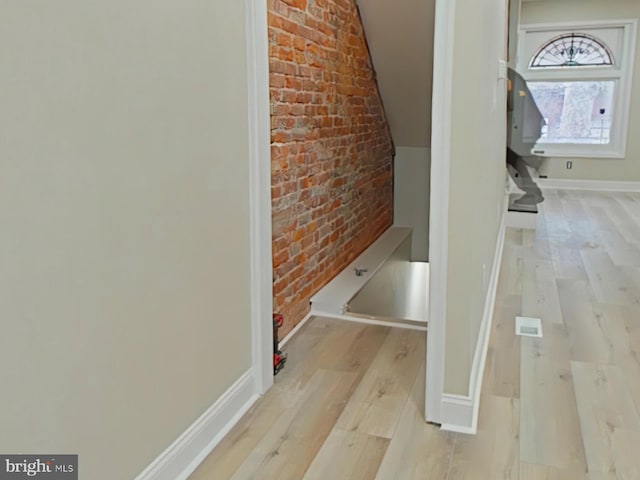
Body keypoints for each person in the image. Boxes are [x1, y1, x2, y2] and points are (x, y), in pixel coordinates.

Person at [507, 67, 545, 208]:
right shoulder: (512, 76)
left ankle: (532, 192)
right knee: (513, 158)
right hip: (527, 127)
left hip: (526, 128)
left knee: (513, 158)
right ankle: (532, 189)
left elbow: (513, 106)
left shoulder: (509, 77)